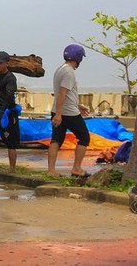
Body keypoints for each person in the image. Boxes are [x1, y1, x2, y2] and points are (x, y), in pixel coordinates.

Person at [48, 44, 91, 178]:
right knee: (84, 138)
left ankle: (51, 170)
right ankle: (76, 168)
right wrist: (60, 114)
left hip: (58, 110)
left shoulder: (60, 69)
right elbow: (62, 93)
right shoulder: (69, 72)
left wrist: (78, 105)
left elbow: (64, 94)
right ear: (78, 58)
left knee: (56, 140)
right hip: (68, 113)